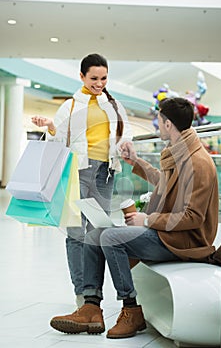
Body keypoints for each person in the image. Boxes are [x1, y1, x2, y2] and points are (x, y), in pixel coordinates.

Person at [49, 97, 219, 339]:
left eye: (159, 122)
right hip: (167, 234)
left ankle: (131, 310)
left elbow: (193, 218)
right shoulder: (180, 154)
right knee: (94, 235)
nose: (157, 126)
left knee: (111, 238)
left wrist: (147, 220)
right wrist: (136, 162)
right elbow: (166, 183)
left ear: (168, 124)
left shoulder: (198, 162)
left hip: (184, 242)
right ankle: (90, 308)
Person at [31, 53, 132, 308]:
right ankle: (81, 292)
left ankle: (92, 293)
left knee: (98, 232)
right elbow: (58, 139)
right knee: (76, 232)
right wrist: (51, 127)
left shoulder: (115, 105)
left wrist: (125, 146)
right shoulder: (71, 105)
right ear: (82, 77)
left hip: (105, 173)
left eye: (104, 78)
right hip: (78, 171)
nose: (100, 83)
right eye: (94, 78)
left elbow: (125, 133)